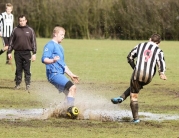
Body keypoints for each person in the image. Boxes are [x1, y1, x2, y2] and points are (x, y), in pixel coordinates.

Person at [111, 34, 167, 123]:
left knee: (134, 95)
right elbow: (161, 61)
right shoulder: (159, 50)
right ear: (158, 43)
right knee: (137, 86)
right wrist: (162, 73)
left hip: (137, 73)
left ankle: (136, 118)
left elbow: (129, 57)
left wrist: (135, 68)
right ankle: (122, 97)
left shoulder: (140, 45)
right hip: (149, 76)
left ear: (149, 39)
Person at [41, 26, 79, 108]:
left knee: (69, 93)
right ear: (55, 34)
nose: (63, 37)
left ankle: (61, 110)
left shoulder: (60, 47)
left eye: (64, 35)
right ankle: (69, 109)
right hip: (53, 74)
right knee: (72, 88)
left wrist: (71, 75)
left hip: (59, 74)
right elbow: (44, 59)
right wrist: (52, 61)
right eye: (62, 34)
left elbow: (63, 64)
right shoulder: (50, 45)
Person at [7, 15, 37, 91]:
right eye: (20, 21)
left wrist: (34, 53)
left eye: (23, 20)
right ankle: (18, 84)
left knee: (27, 69)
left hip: (27, 53)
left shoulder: (30, 30)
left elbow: (33, 42)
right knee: (18, 69)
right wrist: (9, 52)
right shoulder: (15, 30)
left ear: (26, 20)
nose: (22, 22)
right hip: (17, 53)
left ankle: (28, 84)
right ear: (18, 21)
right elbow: (11, 42)